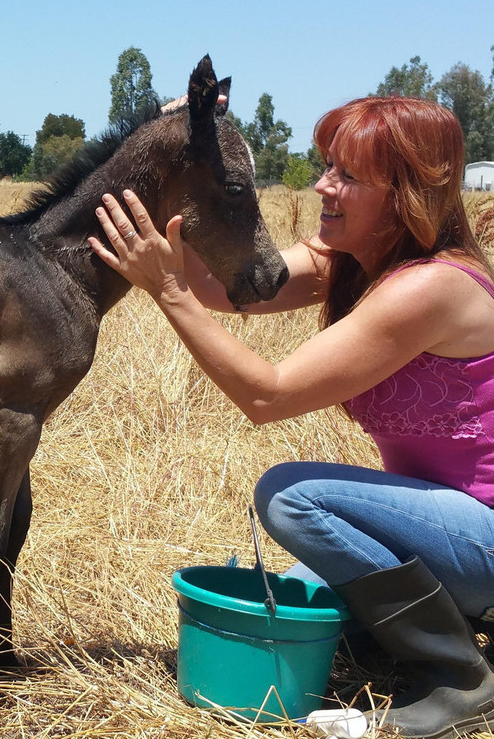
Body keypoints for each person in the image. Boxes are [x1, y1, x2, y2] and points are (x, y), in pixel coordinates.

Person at [88, 95, 494, 739]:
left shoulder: (431, 287)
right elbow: (228, 290)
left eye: (348, 176)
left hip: (485, 537)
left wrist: (165, 291)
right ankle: (404, 634)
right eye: (328, 165)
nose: (322, 186)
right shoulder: (352, 263)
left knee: (293, 497)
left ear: (407, 193)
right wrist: (185, 150)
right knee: (296, 594)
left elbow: (267, 397)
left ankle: (458, 674)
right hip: (440, 531)